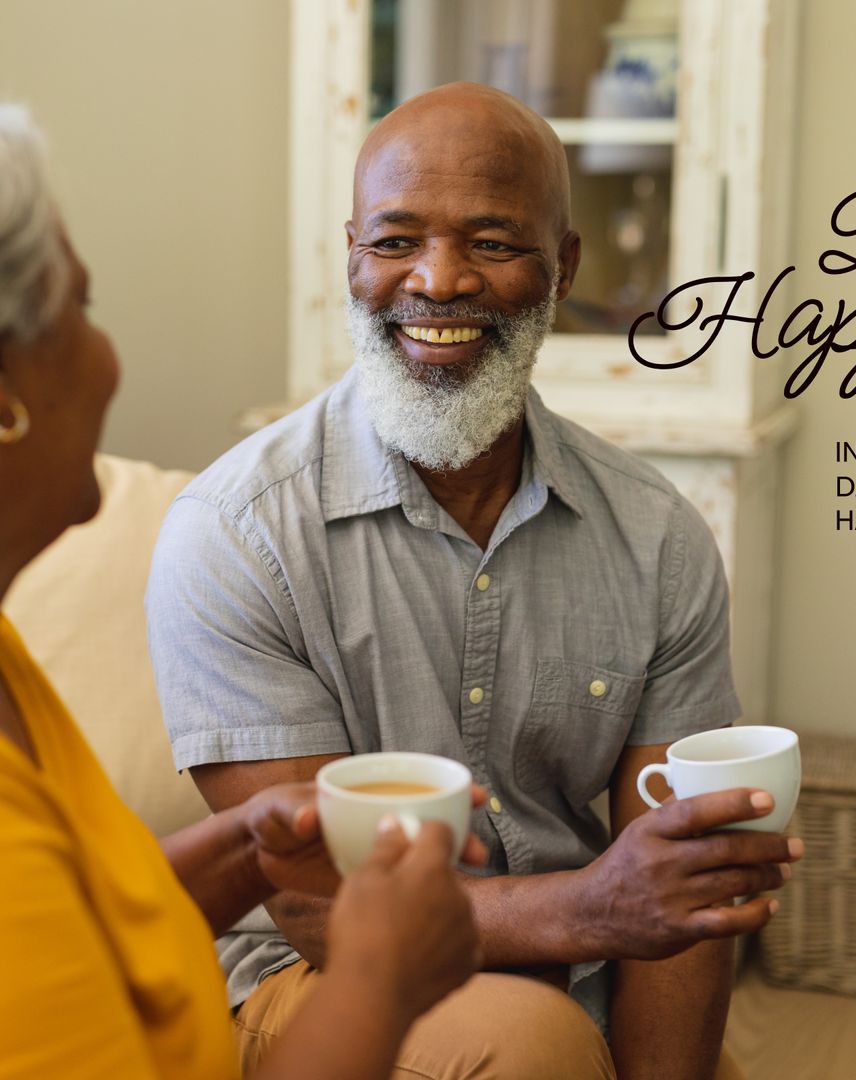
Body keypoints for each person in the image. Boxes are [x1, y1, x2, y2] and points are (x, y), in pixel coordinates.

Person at [147, 82, 802, 1080]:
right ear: (354, 255)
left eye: (492, 242)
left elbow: (682, 878)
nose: (439, 281)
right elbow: (320, 910)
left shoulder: (655, 532)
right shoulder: (236, 531)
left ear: (562, 267)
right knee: (529, 1045)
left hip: (581, 962)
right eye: (396, 239)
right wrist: (593, 906)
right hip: (320, 979)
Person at [0, 103, 485, 1080]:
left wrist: (249, 853)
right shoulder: (245, 522)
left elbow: (81, 920)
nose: (110, 363)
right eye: (84, 311)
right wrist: (382, 978)